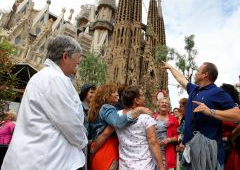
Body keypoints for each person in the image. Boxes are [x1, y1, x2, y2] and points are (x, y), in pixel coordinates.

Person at [2, 35, 88, 170]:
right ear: (65, 56)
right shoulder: (55, 79)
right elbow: (69, 123)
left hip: (33, 156)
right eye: (76, 63)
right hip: (48, 159)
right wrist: (83, 141)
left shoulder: (42, 76)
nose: (76, 68)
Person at [163, 62, 240, 169]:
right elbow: (181, 79)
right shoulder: (194, 89)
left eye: (197, 71)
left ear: (205, 75)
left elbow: (238, 116)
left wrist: (210, 111)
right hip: (190, 152)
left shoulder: (218, 92)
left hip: (208, 155)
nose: (195, 74)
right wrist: (170, 68)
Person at [88, 84, 152, 170]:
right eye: (113, 92)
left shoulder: (99, 109)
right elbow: (117, 123)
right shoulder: (107, 108)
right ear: (106, 95)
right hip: (107, 149)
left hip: (100, 149)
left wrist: (93, 150)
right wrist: (138, 110)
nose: (117, 94)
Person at [115, 85, 164, 170]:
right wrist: (161, 166)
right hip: (144, 165)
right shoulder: (145, 118)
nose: (144, 97)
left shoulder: (117, 115)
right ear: (136, 100)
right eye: (142, 95)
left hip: (124, 166)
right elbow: (153, 142)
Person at [154, 97, 179, 169]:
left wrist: (169, 139)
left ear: (168, 106)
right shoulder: (152, 118)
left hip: (166, 152)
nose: (164, 104)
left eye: (166, 103)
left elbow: (177, 137)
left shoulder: (174, 120)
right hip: (153, 151)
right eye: (162, 102)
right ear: (158, 105)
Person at [79, 83, 96, 170]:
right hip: (82, 143)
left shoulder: (93, 108)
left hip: (90, 143)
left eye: (95, 93)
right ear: (85, 93)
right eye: (91, 92)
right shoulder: (79, 106)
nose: (93, 95)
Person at [176, 98, 187, 170]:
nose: (180, 109)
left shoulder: (191, 119)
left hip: (188, 152)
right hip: (181, 152)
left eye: (181, 106)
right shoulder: (184, 119)